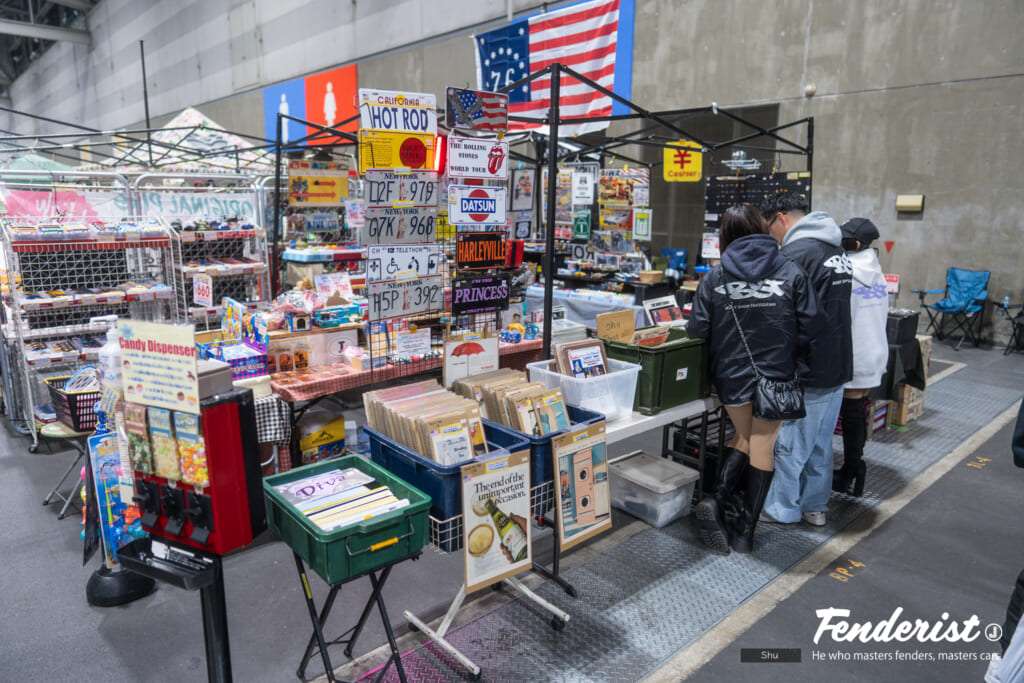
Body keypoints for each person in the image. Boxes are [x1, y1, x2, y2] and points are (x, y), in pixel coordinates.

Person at [688, 204, 818, 554]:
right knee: (762, 445)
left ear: (726, 237)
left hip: (730, 376)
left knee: (745, 436)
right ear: (762, 228)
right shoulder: (791, 270)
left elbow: (697, 328)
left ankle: (716, 500)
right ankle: (744, 532)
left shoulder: (715, 277)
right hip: (776, 377)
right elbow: (809, 327)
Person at [759, 192, 853, 527]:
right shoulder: (835, 250)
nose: (770, 235)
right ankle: (815, 506)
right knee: (820, 442)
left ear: (780, 218)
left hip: (809, 366)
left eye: (768, 227)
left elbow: (784, 316)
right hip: (838, 362)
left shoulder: (797, 254)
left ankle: (782, 508)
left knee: (792, 442)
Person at [833, 218, 888, 496]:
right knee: (857, 409)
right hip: (874, 350)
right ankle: (853, 468)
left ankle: (851, 469)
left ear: (854, 243)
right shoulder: (875, 270)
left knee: (850, 411)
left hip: (856, 352)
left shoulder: (849, 272)